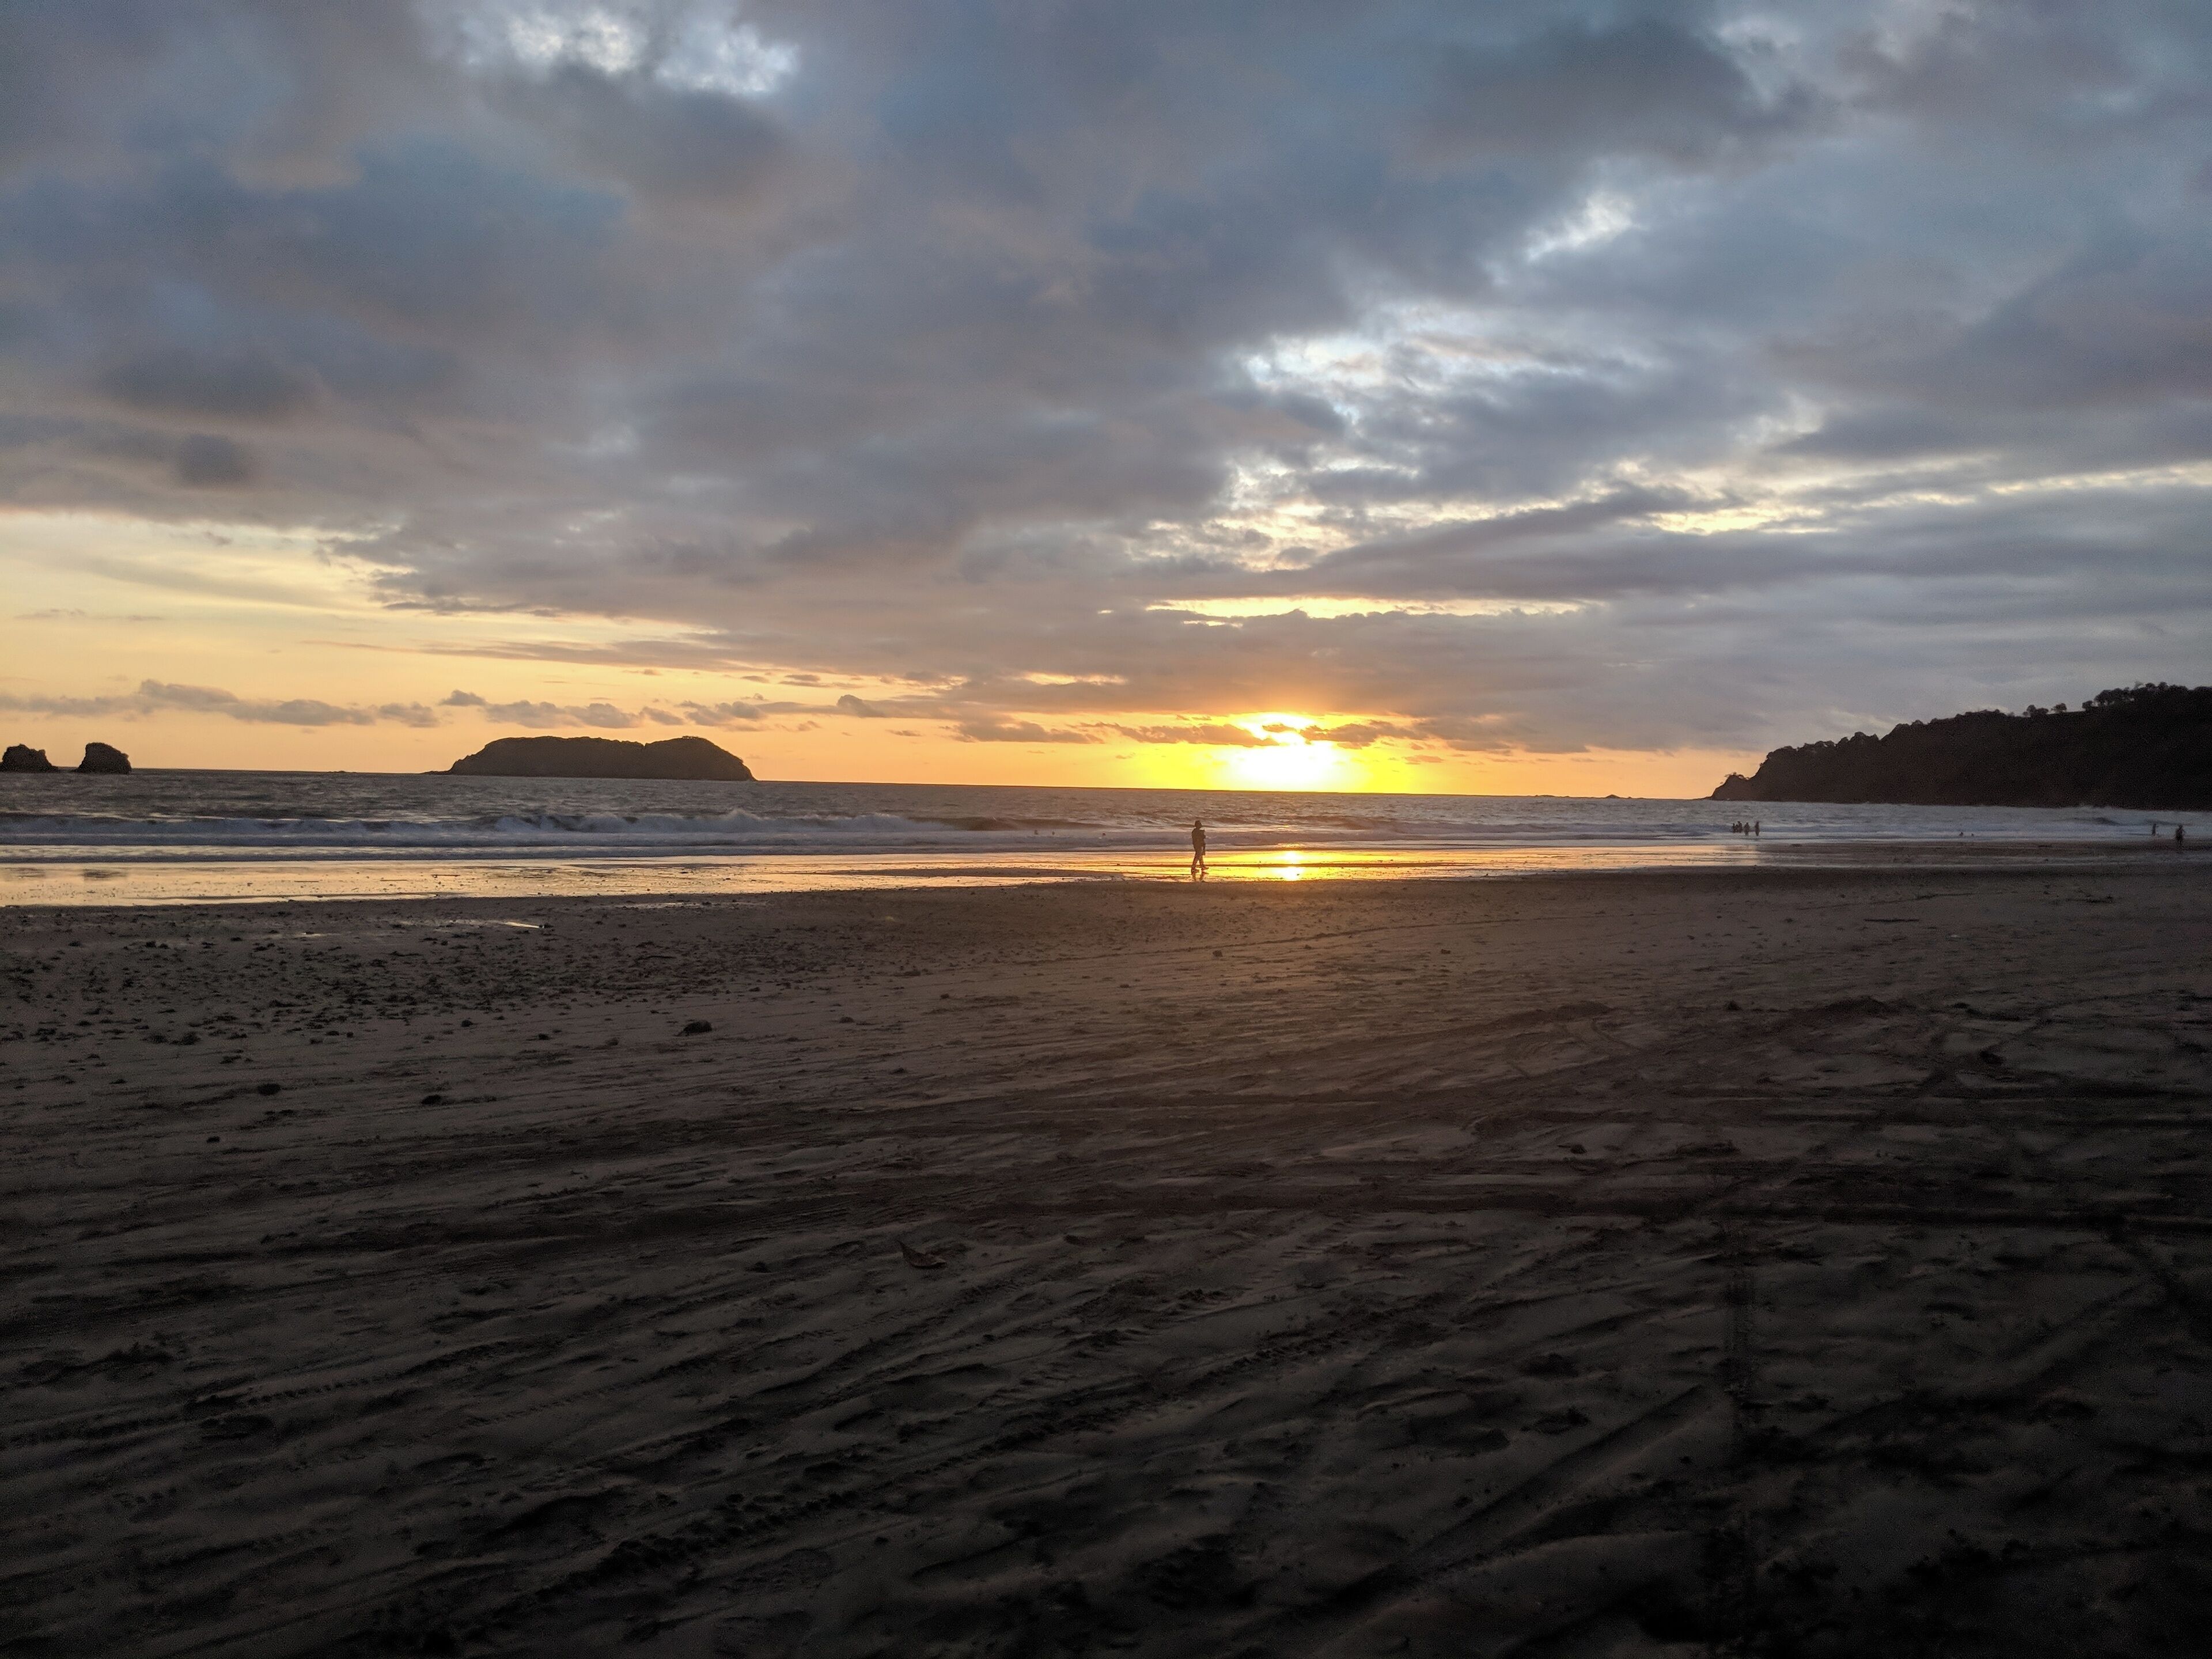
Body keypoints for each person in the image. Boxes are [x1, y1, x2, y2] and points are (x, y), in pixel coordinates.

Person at [1190, 817, 1207, 881]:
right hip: (1198, 845)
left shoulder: (1196, 831)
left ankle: (1202, 866)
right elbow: (1197, 839)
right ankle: (1193, 867)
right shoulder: (1195, 832)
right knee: (1198, 856)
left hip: (1199, 845)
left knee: (1200, 856)